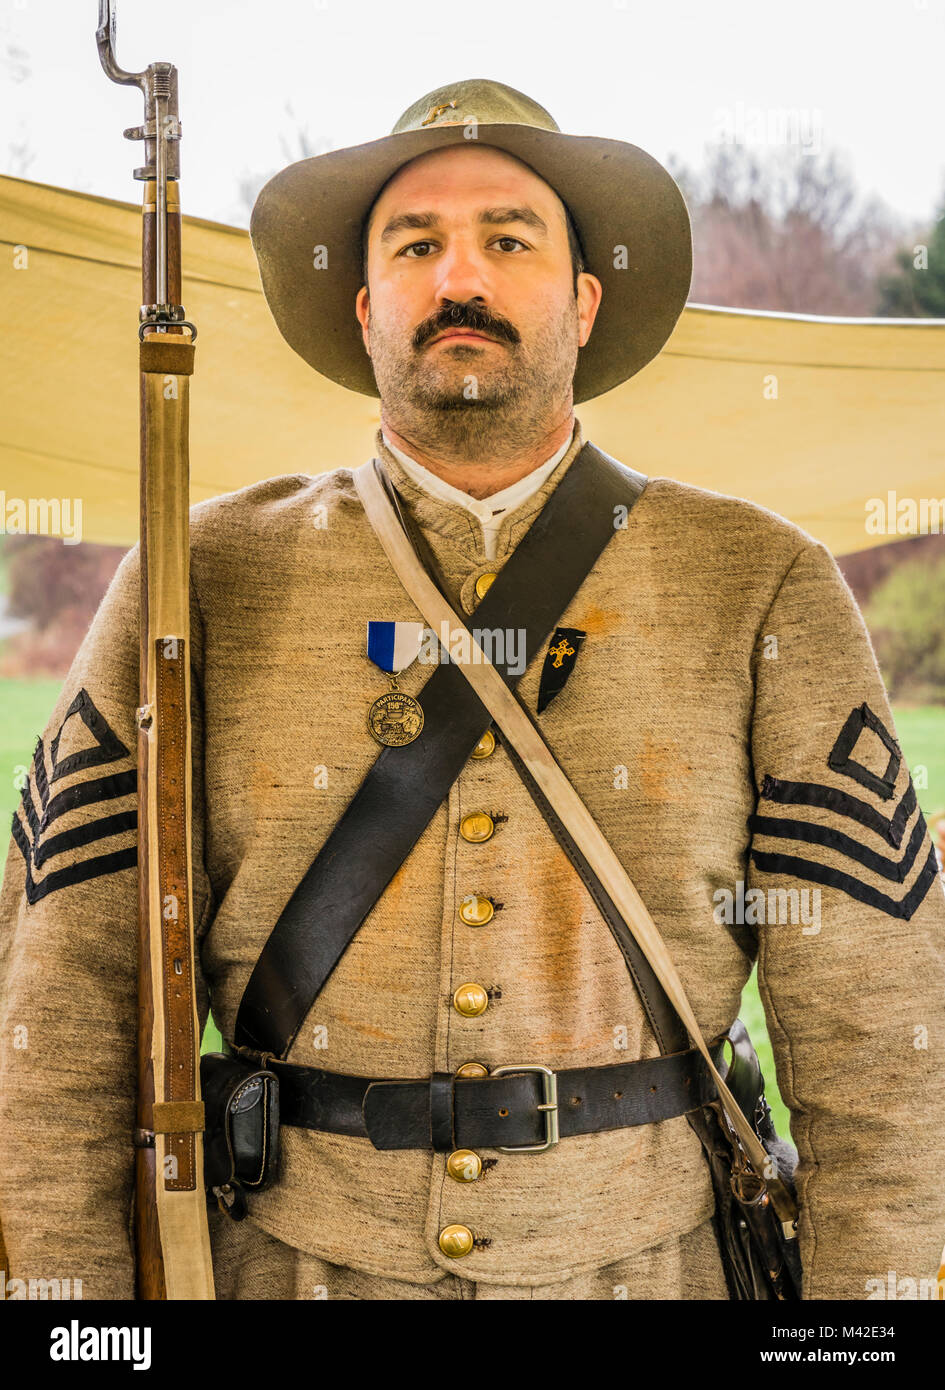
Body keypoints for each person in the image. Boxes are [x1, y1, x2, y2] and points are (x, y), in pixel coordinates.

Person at [1, 78, 944, 1302]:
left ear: (584, 300)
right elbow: (61, 996)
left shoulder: (762, 582)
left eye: (508, 240)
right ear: (366, 307)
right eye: (416, 246)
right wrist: (75, 1325)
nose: (461, 277)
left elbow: (879, 1034)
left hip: (651, 1272)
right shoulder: (194, 576)